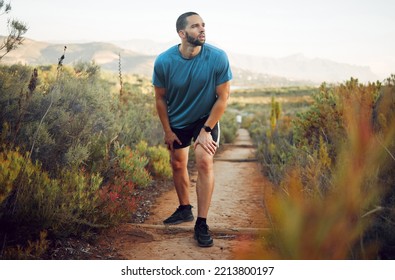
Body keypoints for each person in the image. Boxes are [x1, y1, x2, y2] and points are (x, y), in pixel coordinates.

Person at [152, 11, 232, 247]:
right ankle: (184, 208)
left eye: (203, 25)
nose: (202, 29)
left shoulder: (218, 57)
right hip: (177, 117)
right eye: (196, 26)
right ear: (182, 33)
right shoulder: (164, 61)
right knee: (177, 163)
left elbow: (223, 97)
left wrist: (206, 129)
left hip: (205, 118)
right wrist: (167, 130)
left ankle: (201, 223)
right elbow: (160, 99)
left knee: (204, 160)